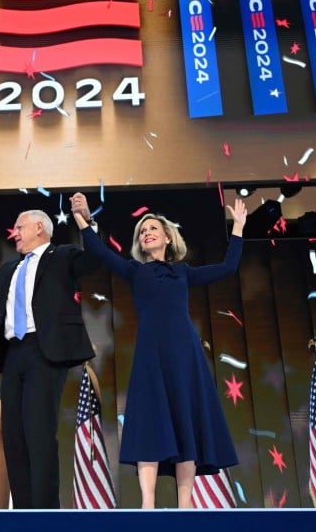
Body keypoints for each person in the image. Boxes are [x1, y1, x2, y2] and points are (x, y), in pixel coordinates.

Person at [70, 192, 246, 508]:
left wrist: (238, 229)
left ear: (167, 237)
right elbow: (99, 249)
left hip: (185, 354)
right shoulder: (135, 271)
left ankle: (185, 506)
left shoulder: (184, 272)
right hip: (151, 356)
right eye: (142, 231)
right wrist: (82, 217)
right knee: (149, 422)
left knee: (185, 422)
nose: (147, 233)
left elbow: (228, 267)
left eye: (153, 228)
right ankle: (147, 506)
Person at [0, 210, 102, 508]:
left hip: (44, 352)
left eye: (20, 227)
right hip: (13, 354)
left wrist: (87, 223)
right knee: (14, 437)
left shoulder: (62, 256)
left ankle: (44, 513)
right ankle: (23, 511)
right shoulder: (10, 268)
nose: (15, 233)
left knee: (39, 433)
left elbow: (94, 260)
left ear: (39, 228)